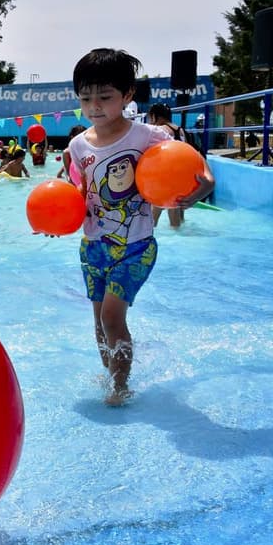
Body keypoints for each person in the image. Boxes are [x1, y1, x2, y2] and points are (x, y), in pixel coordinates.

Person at [65, 48, 214, 407]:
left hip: (135, 246)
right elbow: (76, 195)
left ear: (128, 95)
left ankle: (120, 387)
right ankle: (111, 375)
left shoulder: (148, 136)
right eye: (86, 98)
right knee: (99, 322)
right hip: (94, 246)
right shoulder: (78, 144)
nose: (95, 106)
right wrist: (56, 220)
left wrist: (200, 190)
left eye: (105, 97)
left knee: (112, 316)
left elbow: (197, 169)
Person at [146, 103, 192, 227]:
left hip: (166, 174)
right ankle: (178, 229)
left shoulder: (160, 130)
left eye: (151, 118)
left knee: (157, 207)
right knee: (178, 208)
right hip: (182, 173)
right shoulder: (180, 129)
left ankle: (152, 230)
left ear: (155, 116)